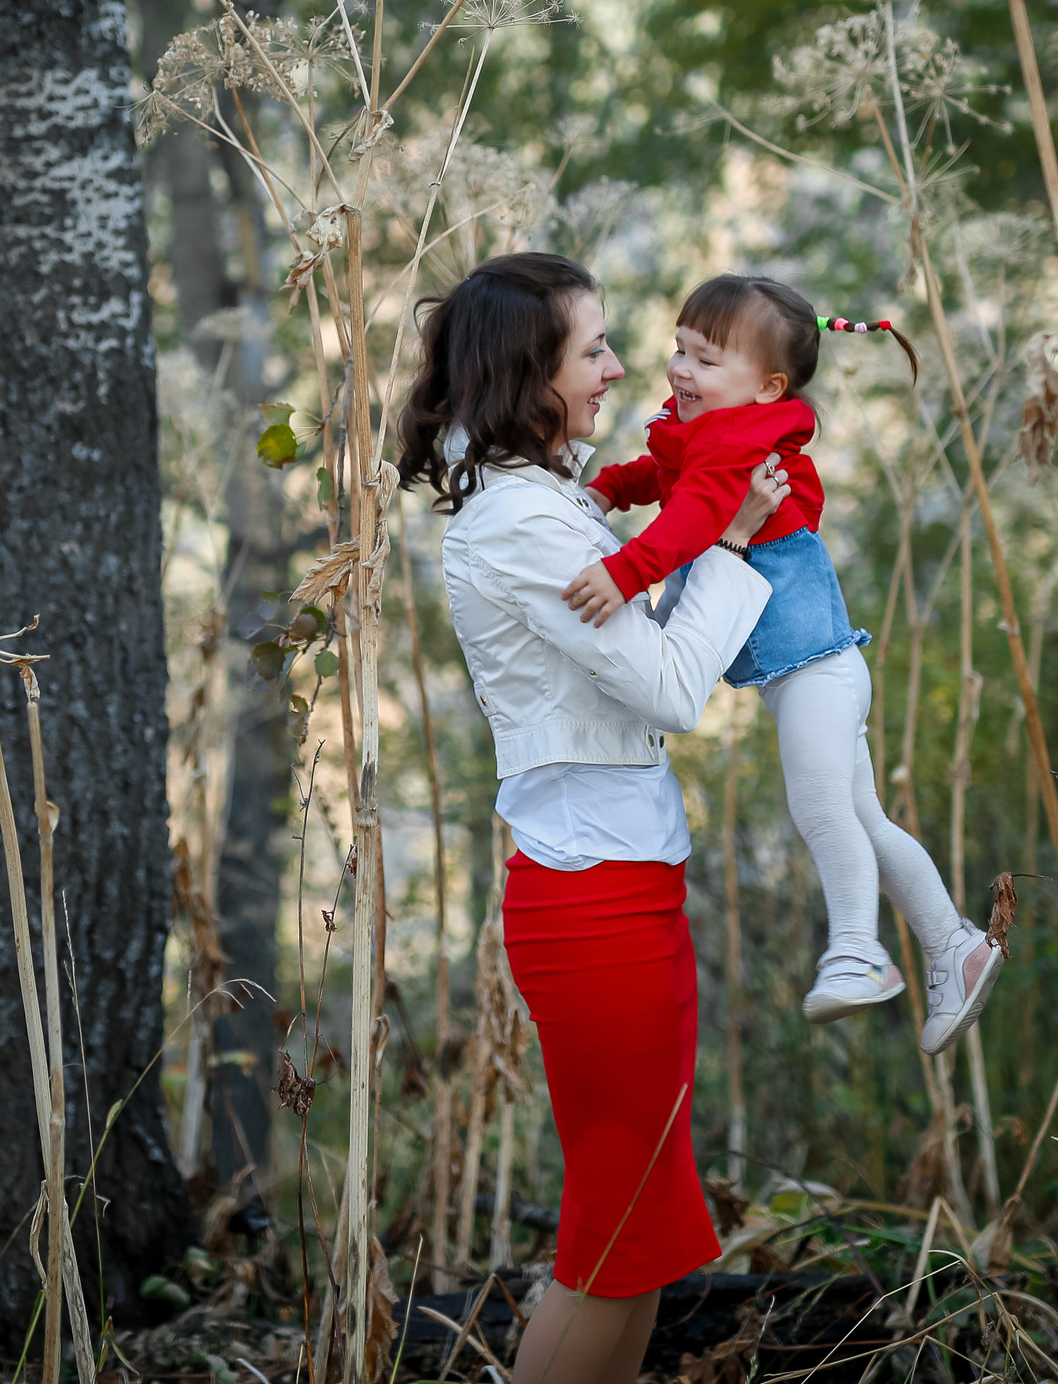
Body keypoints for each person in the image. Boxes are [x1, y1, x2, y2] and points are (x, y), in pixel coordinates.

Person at [399, 252, 785, 1384]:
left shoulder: (550, 496)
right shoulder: (520, 522)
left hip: (631, 884)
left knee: (643, 1240)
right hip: (589, 906)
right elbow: (667, 686)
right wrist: (727, 541)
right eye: (595, 350)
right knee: (612, 1238)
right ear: (531, 373)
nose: (622, 368)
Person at [559, 274, 1003, 1055]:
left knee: (824, 812)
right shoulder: (707, 429)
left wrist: (627, 571)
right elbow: (660, 475)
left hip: (817, 673)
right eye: (680, 350)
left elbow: (695, 516)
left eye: (706, 360)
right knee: (866, 818)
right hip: (813, 671)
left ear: (768, 387)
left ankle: (859, 953)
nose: (680, 371)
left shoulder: (740, 444)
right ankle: (954, 944)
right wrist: (607, 488)